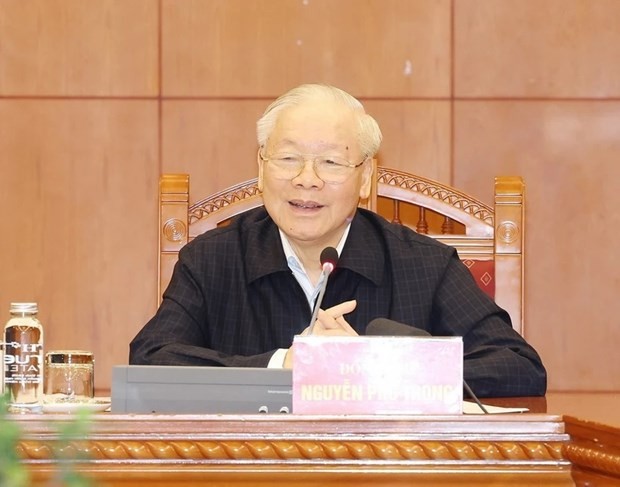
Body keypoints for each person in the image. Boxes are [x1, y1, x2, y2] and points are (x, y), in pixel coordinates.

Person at [130, 83, 546, 398]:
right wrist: (284, 365)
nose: (306, 179)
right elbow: (149, 362)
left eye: (330, 162)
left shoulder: (425, 264)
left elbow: (519, 367)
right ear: (260, 168)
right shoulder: (211, 260)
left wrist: (370, 368)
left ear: (366, 177)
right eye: (288, 158)